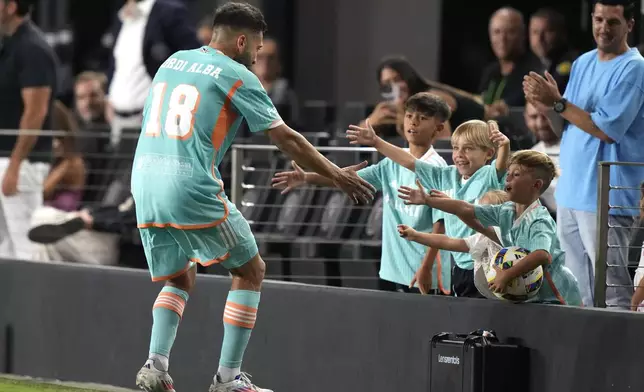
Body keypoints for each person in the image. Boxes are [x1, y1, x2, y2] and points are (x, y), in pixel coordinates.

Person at [130, 3, 375, 392]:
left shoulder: (174, 61)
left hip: (144, 180)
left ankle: (154, 367)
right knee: (250, 270)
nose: (258, 57)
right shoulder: (237, 74)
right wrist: (336, 175)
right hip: (189, 185)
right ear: (242, 41)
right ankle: (228, 379)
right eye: (257, 48)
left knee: (180, 275)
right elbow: (287, 138)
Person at [523, 0, 644, 308]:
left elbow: (606, 129)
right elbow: (566, 128)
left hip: (607, 196)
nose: (604, 28)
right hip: (570, 192)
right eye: (599, 19)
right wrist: (548, 107)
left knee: (612, 292)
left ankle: (623, 355)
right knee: (576, 291)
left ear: (630, 25)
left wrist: (559, 103)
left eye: (613, 22)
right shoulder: (582, 62)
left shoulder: (634, 68)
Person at [272, 92, 452, 294]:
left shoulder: (437, 168)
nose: (414, 122)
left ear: (438, 128)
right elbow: (348, 178)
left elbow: (441, 224)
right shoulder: (390, 164)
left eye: (423, 118)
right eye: (410, 116)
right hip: (395, 270)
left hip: (425, 272)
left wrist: (426, 267)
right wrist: (307, 178)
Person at [346, 118, 510, 297]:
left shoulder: (489, 176)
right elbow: (410, 162)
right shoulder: (446, 175)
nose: (459, 154)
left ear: (488, 153)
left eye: (469, 148)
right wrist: (376, 142)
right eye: (455, 148)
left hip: (490, 267)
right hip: (460, 266)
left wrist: (504, 144)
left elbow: (501, 162)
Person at [413, 150, 582, 306]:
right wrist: (429, 201)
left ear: (536, 185)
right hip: (530, 296)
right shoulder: (506, 211)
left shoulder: (539, 220)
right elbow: (466, 209)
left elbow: (541, 255)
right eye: (508, 173)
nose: (508, 178)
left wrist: (507, 275)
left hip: (557, 298)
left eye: (516, 175)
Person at [0, 0, 58, 259]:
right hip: (6, 157)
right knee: (4, 247)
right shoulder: (9, 45)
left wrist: (15, 165)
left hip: (22, 163)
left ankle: (35, 300)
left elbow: (36, 112)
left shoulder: (33, 48)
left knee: (26, 247)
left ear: (11, 7)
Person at [398, 190, 508, 299]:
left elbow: (465, 213)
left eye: (484, 213)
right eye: (478, 211)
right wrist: (415, 235)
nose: (478, 216)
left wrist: (441, 203)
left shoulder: (503, 236)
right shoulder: (481, 239)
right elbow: (447, 242)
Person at [524, 102, 560, 213]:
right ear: (526, 118)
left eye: (546, 116)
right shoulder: (530, 156)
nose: (540, 124)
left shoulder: (577, 149)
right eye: (534, 117)